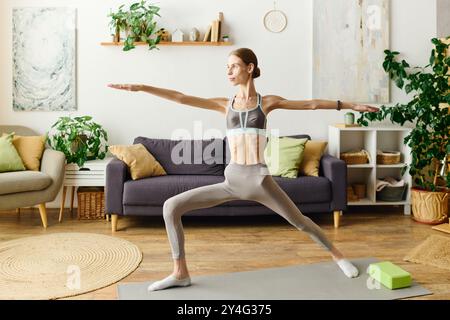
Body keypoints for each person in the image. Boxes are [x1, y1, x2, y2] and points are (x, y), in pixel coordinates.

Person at [108, 48, 380, 292]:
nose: (228, 71)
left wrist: (349, 105)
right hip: (232, 180)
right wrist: (141, 87)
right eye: (226, 67)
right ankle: (180, 273)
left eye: (234, 66)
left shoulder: (266, 102)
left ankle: (339, 257)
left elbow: (310, 104)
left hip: (261, 182)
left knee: (300, 222)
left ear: (249, 68)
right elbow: (181, 98)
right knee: (170, 206)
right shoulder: (223, 104)